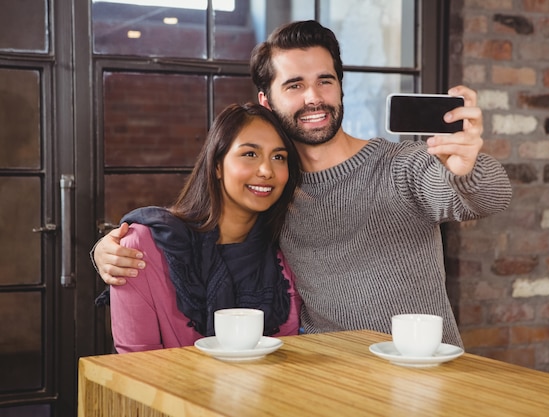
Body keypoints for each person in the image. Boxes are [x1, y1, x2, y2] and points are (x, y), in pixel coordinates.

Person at [93, 21, 512, 348]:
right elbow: (202, 231)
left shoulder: (400, 165)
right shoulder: (272, 192)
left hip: (424, 377)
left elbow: (488, 197)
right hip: (323, 384)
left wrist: (466, 167)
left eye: (325, 81)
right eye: (294, 85)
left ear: (340, 86)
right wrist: (112, 247)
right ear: (266, 100)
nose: (314, 97)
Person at [105, 103, 302, 353]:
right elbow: (134, 363)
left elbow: (288, 355)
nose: (266, 171)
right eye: (250, 154)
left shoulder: (284, 255)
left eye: (279, 157)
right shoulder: (141, 247)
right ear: (217, 165)